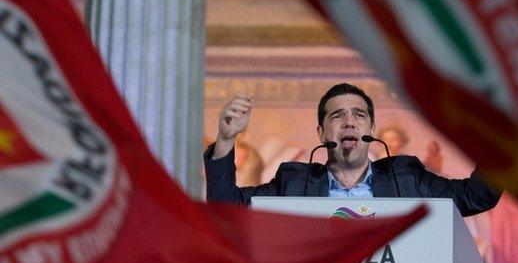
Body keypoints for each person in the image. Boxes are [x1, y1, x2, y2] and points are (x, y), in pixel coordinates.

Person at [204, 83, 500, 217]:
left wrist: (496, 143)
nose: (349, 123)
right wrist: (226, 139)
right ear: (321, 133)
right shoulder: (294, 182)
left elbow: (474, 197)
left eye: (359, 115)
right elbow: (227, 208)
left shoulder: (406, 178)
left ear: (371, 128)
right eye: (337, 116)